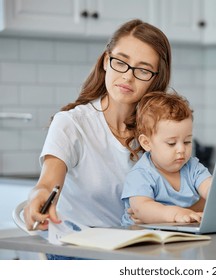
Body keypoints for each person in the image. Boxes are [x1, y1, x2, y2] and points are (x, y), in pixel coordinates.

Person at [23, 18, 173, 235]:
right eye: (120, 62)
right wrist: (37, 198)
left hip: (139, 248)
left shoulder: (160, 132)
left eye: (143, 70)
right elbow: (47, 184)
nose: (128, 77)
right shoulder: (71, 123)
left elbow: (178, 197)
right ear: (105, 61)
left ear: (155, 80)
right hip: (78, 249)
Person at [121, 91, 212, 226]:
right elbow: (141, 208)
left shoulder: (193, 167)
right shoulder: (141, 174)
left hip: (179, 235)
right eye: (171, 143)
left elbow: (211, 189)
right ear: (146, 143)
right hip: (142, 240)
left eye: (187, 141)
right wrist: (175, 214)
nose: (181, 149)